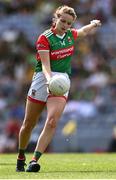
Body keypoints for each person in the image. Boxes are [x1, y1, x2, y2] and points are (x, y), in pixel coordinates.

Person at [16, 5, 101, 172]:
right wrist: (49, 81)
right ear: (56, 19)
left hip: (62, 80)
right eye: (62, 21)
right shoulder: (45, 38)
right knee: (29, 124)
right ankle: (21, 156)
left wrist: (93, 24)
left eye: (69, 23)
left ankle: (34, 160)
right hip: (43, 79)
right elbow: (46, 66)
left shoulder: (70, 35)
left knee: (53, 121)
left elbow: (82, 31)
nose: (65, 25)